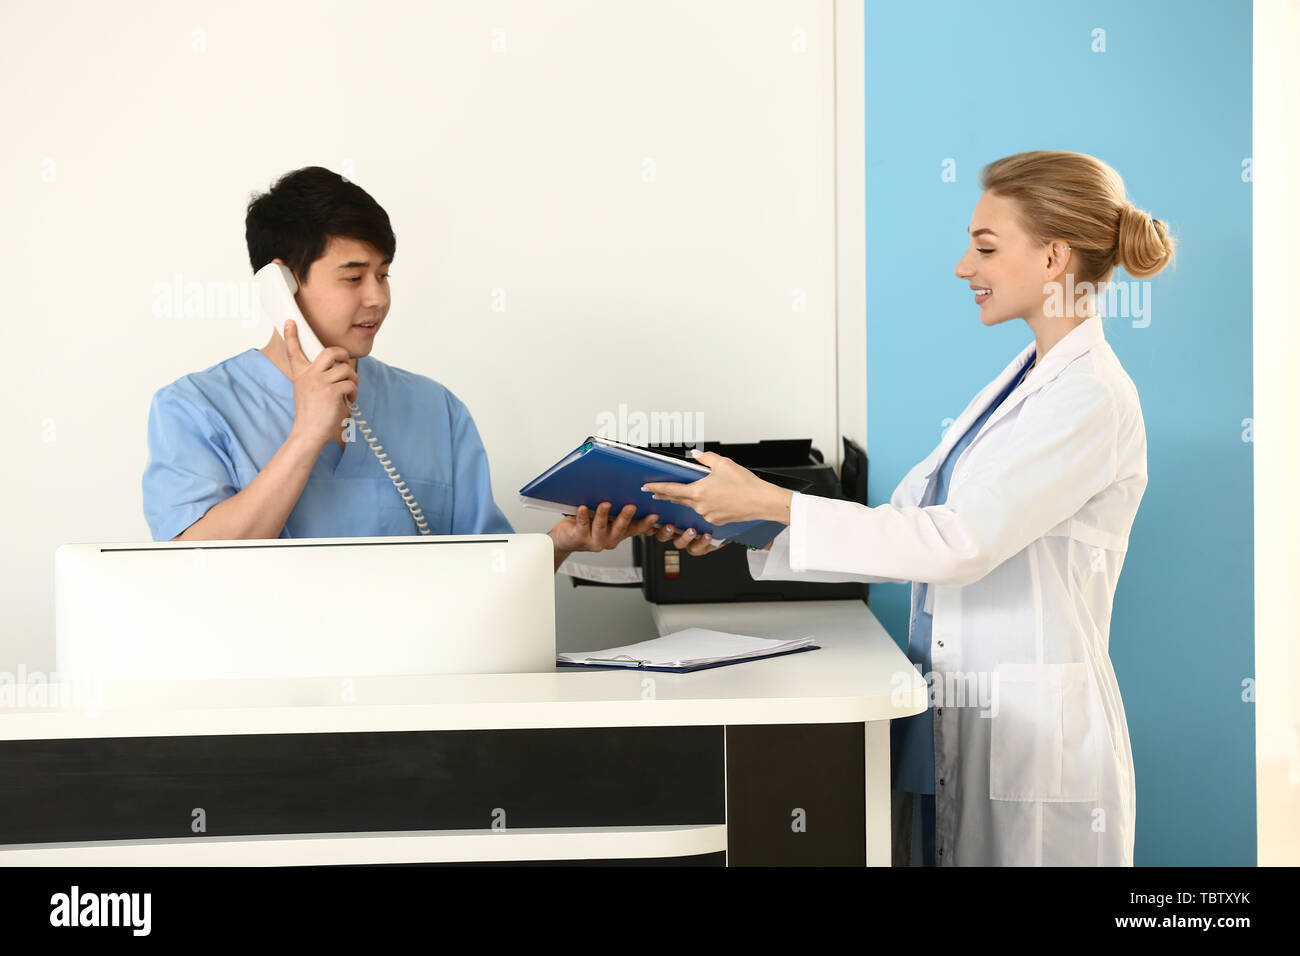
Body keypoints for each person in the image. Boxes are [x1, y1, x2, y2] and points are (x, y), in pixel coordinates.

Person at [643, 150, 1176, 865]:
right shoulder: (1021, 383)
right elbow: (902, 525)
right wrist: (743, 526)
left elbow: (955, 544)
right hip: (971, 716)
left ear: (1054, 257)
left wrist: (775, 500)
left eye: (986, 247)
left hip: (1034, 740)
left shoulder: (1091, 397)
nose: (964, 267)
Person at [142, 166, 720, 567]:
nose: (378, 297)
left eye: (385, 273)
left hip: (428, 705)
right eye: (353, 276)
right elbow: (190, 566)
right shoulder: (194, 408)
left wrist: (562, 543)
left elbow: (482, 574)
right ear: (282, 284)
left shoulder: (435, 409)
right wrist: (306, 435)